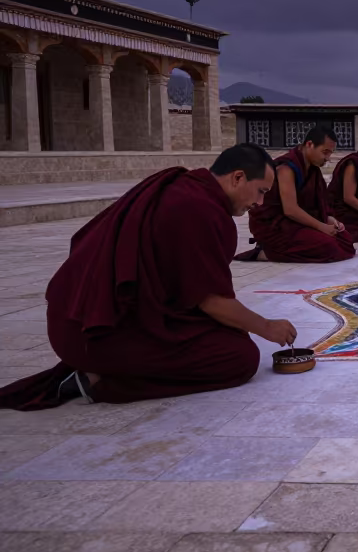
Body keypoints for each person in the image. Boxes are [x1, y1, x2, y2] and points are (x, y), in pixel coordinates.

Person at [0, 144, 299, 410]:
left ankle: (99, 369)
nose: (259, 204)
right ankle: (95, 381)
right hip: (92, 334)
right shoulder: (198, 209)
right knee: (238, 358)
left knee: (230, 333)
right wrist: (266, 326)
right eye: (261, 192)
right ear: (237, 178)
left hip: (82, 317)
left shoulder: (186, 188)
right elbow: (211, 301)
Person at [237, 126, 355, 263]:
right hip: (277, 227)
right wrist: (321, 226)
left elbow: (315, 205)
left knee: (345, 240)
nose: (327, 158)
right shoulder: (286, 168)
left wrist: (329, 219)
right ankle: (265, 253)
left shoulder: (312, 170)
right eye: (325, 152)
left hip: (297, 223)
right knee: (327, 246)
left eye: (330, 153)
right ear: (309, 145)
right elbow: (290, 210)